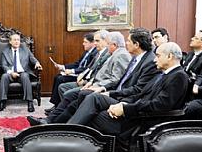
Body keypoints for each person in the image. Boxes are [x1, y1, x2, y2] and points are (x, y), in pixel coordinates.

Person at [29, 28, 157, 125]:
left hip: (124, 98)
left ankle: (70, 129)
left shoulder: (147, 61)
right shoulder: (137, 58)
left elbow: (136, 89)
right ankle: (51, 122)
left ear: (137, 44)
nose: (125, 43)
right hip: (114, 90)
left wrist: (106, 91)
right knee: (75, 96)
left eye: (128, 40)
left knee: (90, 96)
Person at [59, 42, 188, 136]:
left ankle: (69, 135)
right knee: (93, 97)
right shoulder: (165, 74)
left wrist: (125, 108)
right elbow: (140, 95)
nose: (155, 60)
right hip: (135, 110)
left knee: (93, 114)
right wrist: (122, 103)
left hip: (141, 120)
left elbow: (159, 105)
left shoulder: (179, 77)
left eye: (158, 56)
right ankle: (69, 133)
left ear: (170, 57)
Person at [45, 33, 97, 113]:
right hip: (78, 73)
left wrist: (72, 71)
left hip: (82, 76)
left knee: (60, 79)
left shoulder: (94, 54)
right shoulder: (86, 52)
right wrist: (63, 67)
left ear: (92, 43)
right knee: (57, 77)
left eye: (85, 42)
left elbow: (86, 68)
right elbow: (77, 64)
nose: (83, 44)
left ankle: (58, 106)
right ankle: (57, 105)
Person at [0, 33, 42, 112]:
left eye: (18, 40)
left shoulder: (25, 49)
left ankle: (30, 102)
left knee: (25, 76)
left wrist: (37, 63)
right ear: (10, 42)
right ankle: (2, 101)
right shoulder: (5, 52)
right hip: (10, 73)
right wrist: (11, 73)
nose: (17, 42)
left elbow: (32, 58)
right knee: (4, 76)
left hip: (22, 72)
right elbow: (4, 66)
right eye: (14, 40)